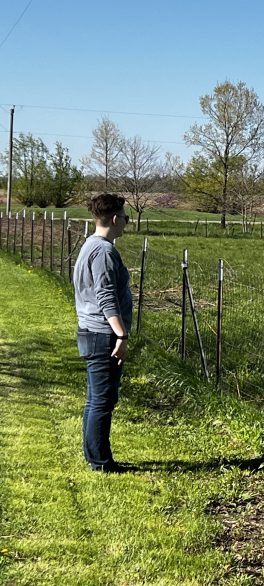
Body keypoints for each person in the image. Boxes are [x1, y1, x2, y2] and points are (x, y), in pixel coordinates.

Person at [73, 193, 133, 473]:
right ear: (113, 218)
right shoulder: (105, 252)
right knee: (102, 399)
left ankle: (94, 456)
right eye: (124, 217)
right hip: (102, 334)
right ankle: (100, 461)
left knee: (97, 398)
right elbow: (106, 295)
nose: (126, 222)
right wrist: (120, 335)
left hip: (91, 330)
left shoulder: (90, 245)